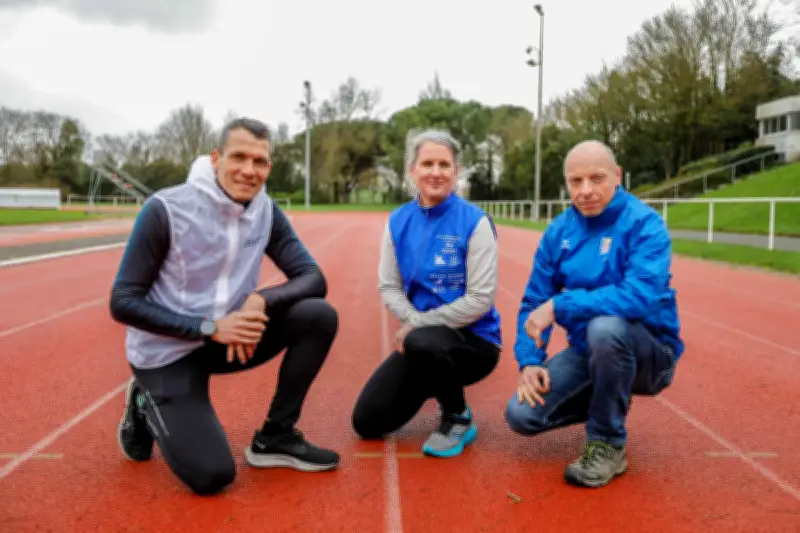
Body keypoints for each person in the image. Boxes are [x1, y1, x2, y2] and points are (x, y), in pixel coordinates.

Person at [110, 117, 340, 496]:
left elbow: (313, 278)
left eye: (260, 161)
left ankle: (275, 437)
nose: (249, 171)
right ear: (215, 158)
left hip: (228, 339)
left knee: (317, 316)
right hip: (168, 352)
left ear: (269, 166)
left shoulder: (265, 210)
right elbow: (123, 302)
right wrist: (209, 327)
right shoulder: (166, 208)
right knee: (212, 475)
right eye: (239, 157)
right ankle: (142, 399)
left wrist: (260, 300)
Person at [504, 140, 684, 488]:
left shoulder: (645, 225)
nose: (585, 191)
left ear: (617, 176)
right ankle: (610, 391)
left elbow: (640, 296)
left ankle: (607, 444)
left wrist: (561, 305)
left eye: (597, 178)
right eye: (575, 181)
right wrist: (529, 361)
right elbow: (533, 301)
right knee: (521, 415)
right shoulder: (559, 232)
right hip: (591, 351)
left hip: (651, 355)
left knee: (605, 328)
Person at [351, 129, 502, 458]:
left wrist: (419, 325)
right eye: (428, 163)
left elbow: (480, 300)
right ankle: (432, 377)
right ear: (412, 170)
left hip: (474, 344)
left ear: (456, 172)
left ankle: (457, 416)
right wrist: (416, 321)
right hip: (423, 340)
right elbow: (388, 286)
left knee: (422, 341)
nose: (436, 172)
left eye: (444, 164)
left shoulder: (475, 223)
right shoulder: (397, 221)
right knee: (367, 421)